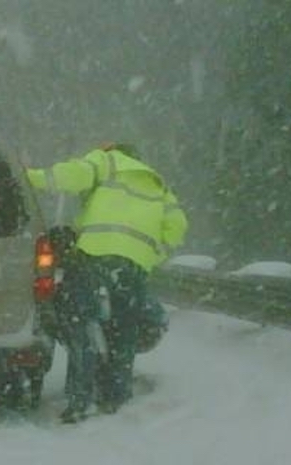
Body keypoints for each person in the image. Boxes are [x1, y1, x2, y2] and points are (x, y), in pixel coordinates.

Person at [27, 142, 188, 423]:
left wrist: (29, 177)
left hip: (94, 254)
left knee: (80, 322)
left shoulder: (108, 161)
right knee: (124, 330)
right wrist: (151, 255)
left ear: (114, 151)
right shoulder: (158, 186)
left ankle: (81, 400)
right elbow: (178, 226)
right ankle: (116, 396)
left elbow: (71, 175)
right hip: (134, 265)